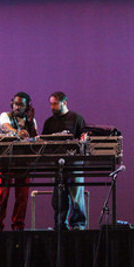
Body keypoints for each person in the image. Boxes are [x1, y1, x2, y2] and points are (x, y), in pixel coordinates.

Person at [0, 92, 38, 231]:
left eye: (21, 105)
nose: (17, 107)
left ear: (27, 106)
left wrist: (30, 122)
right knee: (2, 195)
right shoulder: (5, 115)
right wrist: (18, 132)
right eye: (15, 104)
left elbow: (34, 137)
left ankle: (18, 226)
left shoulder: (31, 120)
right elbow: (5, 126)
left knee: (22, 196)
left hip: (23, 161)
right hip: (6, 160)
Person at [41, 91, 87, 230]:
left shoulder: (76, 118)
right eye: (51, 104)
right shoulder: (49, 122)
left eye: (55, 104)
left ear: (64, 103)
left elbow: (84, 140)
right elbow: (44, 142)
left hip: (74, 164)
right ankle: (60, 224)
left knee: (76, 196)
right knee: (58, 198)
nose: (52, 107)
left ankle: (78, 224)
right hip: (57, 165)